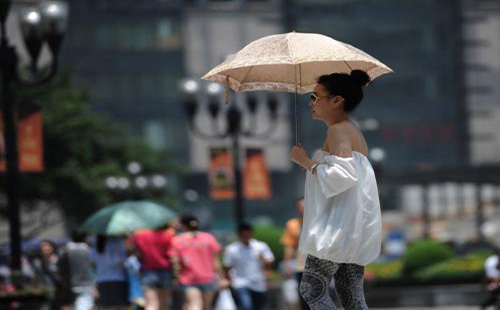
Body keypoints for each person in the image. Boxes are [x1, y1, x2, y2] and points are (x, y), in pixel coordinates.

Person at [290, 70, 382, 310]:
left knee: (312, 288)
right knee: (350, 293)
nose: (311, 103)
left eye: (315, 96)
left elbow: (342, 176)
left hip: (337, 229)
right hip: (352, 228)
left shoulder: (338, 130)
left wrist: (305, 161)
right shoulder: (350, 130)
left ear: (336, 101)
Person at [169, 214, 224, 310]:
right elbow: (215, 260)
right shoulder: (209, 238)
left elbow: (175, 261)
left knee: (194, 305)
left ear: (183, 225)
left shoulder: (178, 240)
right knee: (206, 307)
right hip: (208, 277)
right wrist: (222, 277)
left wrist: (176, 276)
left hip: (188, 278)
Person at [223, 223, 274, 310]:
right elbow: (227, 266)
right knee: (246, 305)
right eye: (243, 234)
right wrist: (227, 279)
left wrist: (264, 260)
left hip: (258, 283)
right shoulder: (232, 249)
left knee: (258, 306)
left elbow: (270, 261)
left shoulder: (260, 246)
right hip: (240, 282)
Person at [131, 223, 174, 310]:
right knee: (163, 305)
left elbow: (135, 252)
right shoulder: (168, 236)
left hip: (147, 272)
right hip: (165, 271)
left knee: (151, 304)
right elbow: (172, 254)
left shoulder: (140, 236)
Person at [281, 198, 308, 310]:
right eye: (300, 206)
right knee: (303, 294)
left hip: (320, 264)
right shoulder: (293, 225)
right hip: (301, 265)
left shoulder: (320, 222)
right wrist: (287, 265)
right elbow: (289, 246)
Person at [58, 231, 95, 310]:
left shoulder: (65, 250)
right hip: (86, 283)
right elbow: (93, 266)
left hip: (69, 284)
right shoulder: (88, 250)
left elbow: (60, 266)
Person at [92, 235, 130, 310]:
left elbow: (93, 261)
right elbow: (118, 261)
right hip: (118, 278)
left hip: (102, 279)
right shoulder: (117, 240)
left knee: (107, 307)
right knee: (124, 306)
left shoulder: (97, 241)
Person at [31, 240, 61, 310]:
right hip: (43, 292)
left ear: (52, 248)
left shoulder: (58, 260)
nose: (44, 248)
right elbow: (35, 277)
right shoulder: (37, 262)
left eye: (46, 246)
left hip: (57, 292)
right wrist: (34, 288)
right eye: (42, 246)